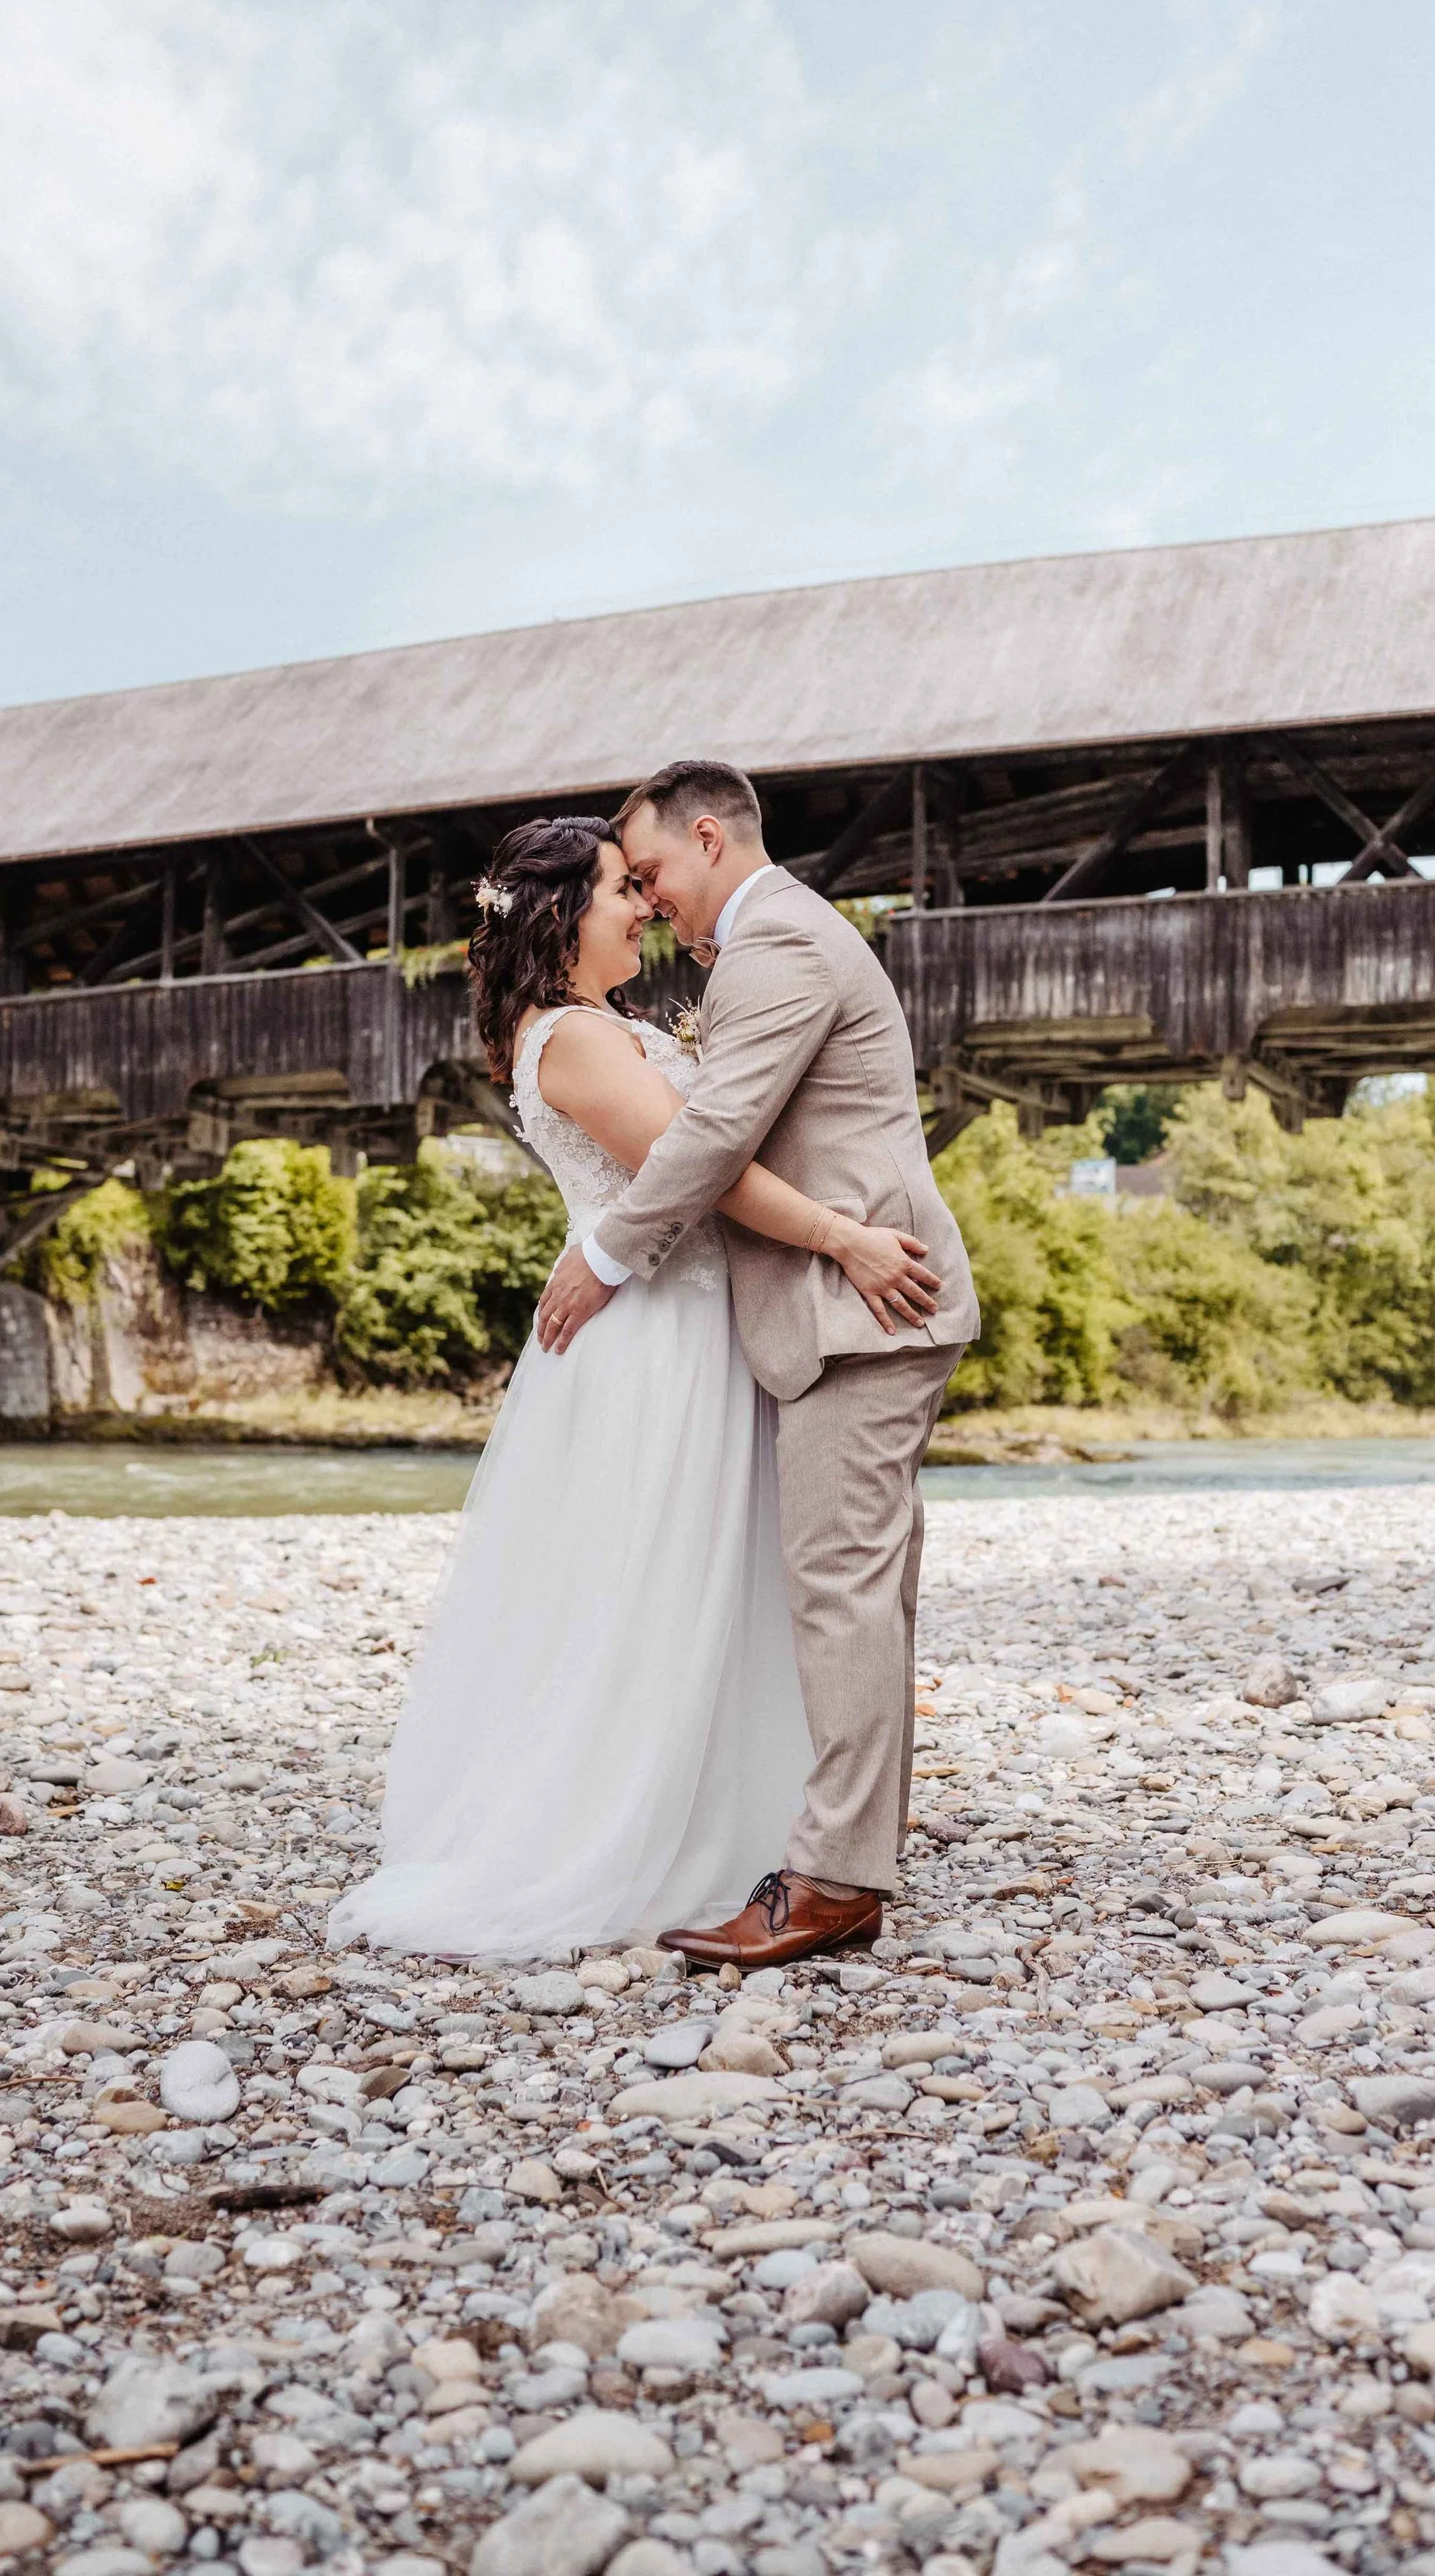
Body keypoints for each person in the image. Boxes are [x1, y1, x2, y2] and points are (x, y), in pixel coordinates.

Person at [326, 812, 939, 1962]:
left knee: (716, 1581)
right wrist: (843, 1239)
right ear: (560, 913)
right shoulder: (571, 1037)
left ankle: (761, 1821)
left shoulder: (599, 1025)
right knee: (653, 1585)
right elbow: (691, 1171)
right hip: (655, 1340)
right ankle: (633, 1831)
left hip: (694, 1327)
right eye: (624, 890)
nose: (645, 908)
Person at [536, 759, 979, 1968]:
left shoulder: (778, 943)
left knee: (840, 1591)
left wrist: (609, 1253)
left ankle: (835, 1882)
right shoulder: (772, 941)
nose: (650, 897)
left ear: (712, 837)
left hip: (858, 1301)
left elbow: (716, 1131)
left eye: (656, 871)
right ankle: (854, 1855)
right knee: (861, 1595)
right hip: (850, 1301)